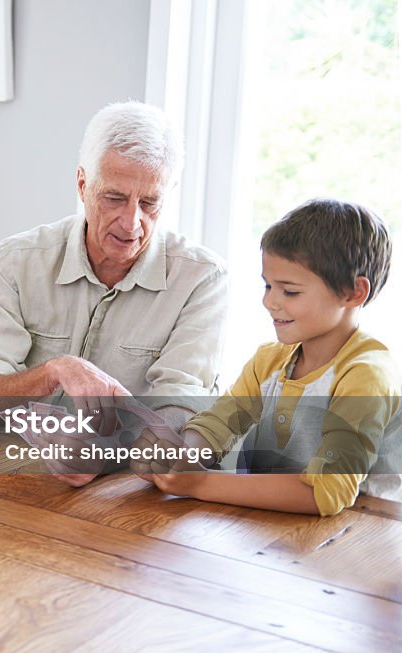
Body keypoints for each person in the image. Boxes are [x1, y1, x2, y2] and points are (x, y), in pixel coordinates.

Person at [0, 101, 227, 486]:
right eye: (114, 198)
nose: (132, 222)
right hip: (14, 478)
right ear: (83, 185)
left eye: (150, 203)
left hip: (128, 492)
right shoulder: (15, 261)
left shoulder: (203, 279)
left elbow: (180, 415)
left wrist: (101, 452)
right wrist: (55, 371)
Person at [133, 199, 401, 515]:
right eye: (268, 285)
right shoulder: (270, 360)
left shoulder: (366, 376)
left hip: (354, 540)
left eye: (290, 291)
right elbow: (218, 423)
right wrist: (183, 459)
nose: (269, 301)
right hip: (269, 531)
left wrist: (199, 485)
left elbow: (328, 493)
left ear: (353, 293)